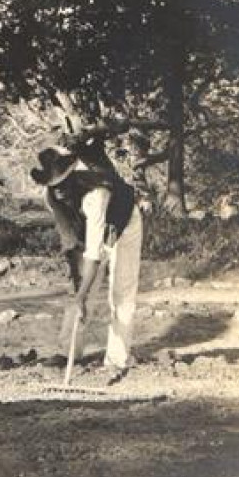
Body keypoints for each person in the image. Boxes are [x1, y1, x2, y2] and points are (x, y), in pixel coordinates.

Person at [31, 146, 144, 384]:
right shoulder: (51, 196)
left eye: (63, 184)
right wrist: (79, 290)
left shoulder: (96, 196)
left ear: (73, 178)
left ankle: (117, 358)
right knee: (79, 292)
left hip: (123, 223)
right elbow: (71, 240)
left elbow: (94, 253)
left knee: (121, 291)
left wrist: (83, 293)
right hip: (91, 229)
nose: (58, 190)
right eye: (53, 185)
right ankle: (67, 352)